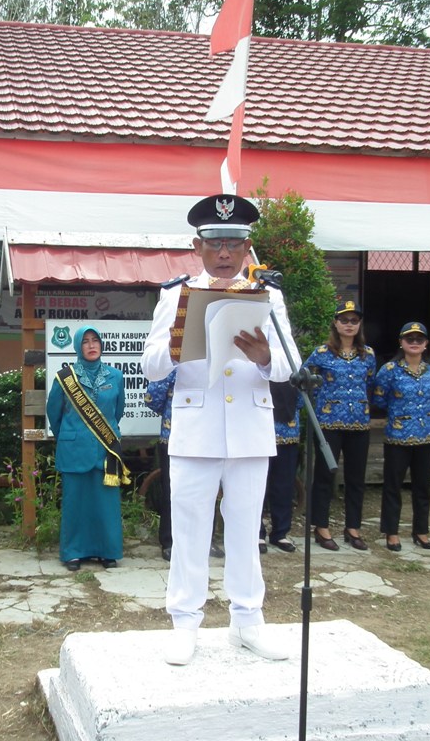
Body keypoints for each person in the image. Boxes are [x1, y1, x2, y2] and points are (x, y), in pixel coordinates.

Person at [141, 193, 295, 666]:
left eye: (234, 244)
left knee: (247, 530)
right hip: (196, 430)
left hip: (249, 429)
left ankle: (248, 622)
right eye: (215, 244)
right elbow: (149, 367)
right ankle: (184, 624)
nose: (225, 254)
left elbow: (292, 367)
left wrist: (266, 356)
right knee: (189, 530)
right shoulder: (176, 295)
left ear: (247, 247)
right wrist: (172, 345)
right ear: (198, 246)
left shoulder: (269, 296)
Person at [47, 326, 127, 571]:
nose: (91, 345)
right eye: (85, 342)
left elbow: (118, 411)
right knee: (75, 503)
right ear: (78, 347)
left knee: (106, 503)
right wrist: (72, 437)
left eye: (95, 341)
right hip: (74, 450)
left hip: (106, 450)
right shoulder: (65, 378)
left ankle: (107, 552)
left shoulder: (115, 376)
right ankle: (73, 553)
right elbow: (54, 413)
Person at [302, 301, 376, 551]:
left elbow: (370, 384)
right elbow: (303, 380)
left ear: (359, 325)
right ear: (335, 323)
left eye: (354, 320)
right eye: (344, 320)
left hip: (359, 424)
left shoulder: (368, 354)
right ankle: (321, 528)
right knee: (324, 476)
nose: (349, 325)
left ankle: (352, 528)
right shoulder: (322, 353)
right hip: (328, 424)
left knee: (356, 478)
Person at [372, 322, 430, 551]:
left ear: (426, 344)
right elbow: (379, 399)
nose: (414, 343)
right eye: (409, 339)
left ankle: (421, 532)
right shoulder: (389, 370)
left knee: (423, 486)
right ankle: (392, 533)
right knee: (393, 486)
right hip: (398, 436)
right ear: (401, 342)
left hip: (427, 437)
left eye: (419, 339)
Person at [144, 370, 225, 562]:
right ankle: (170, 542)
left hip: (208, 435)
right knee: (173, 492)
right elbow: (152, 398)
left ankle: (206, 540)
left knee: (209, 491)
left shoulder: (217, 361)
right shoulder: (175, 360)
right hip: (175, 436)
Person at [260, 381, 302, 553]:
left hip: (287, 431)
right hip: (259, 433)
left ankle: (280, 532)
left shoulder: (290, 359)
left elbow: (301, 398)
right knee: (258, 486)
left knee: (284, 485)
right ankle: (257, 533)